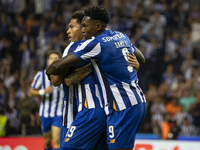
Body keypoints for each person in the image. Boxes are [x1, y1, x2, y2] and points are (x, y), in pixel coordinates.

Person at [46, 6, 146, 150]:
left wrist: (48, 70)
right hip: (118, 106)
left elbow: (58, 78)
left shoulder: (92, 45)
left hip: (111, 106)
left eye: (83, 26)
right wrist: (134, 64)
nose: (83, 29)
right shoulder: (121, 35)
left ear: (97, 26)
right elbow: (141, 58)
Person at [29, 50, 64, 150]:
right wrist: (43, 92)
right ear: (48, 61)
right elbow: (31, 92)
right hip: (45, 113)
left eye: (56, 58)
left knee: (57, 141)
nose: (53, 60)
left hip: (59, 113)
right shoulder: (41, 75)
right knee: (48, 142)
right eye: (51, 58)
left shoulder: (64, 75)